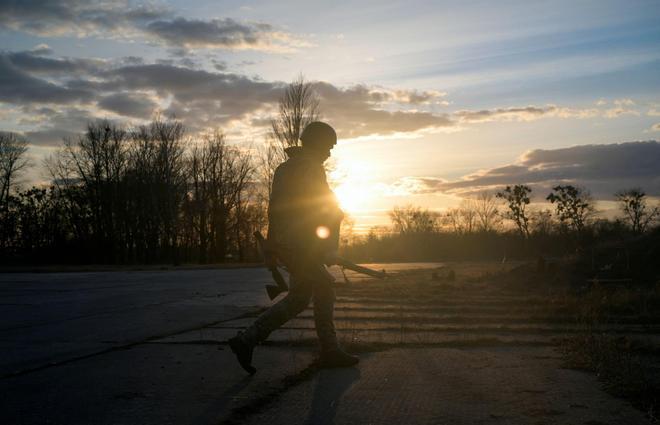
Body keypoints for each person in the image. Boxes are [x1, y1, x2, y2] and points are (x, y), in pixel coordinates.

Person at [229, 121, 359, 374]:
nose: (330, 152)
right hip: (302, 245)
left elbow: (275, 210)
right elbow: (327, 210)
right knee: (324, 288)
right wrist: (329, 245)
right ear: (318, 143)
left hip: (290, 244)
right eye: (329, 147)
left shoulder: (285, 168)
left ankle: (246, 340)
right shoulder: (311, 169)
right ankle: (330, 351)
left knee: (300, 297)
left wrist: (273, 246)